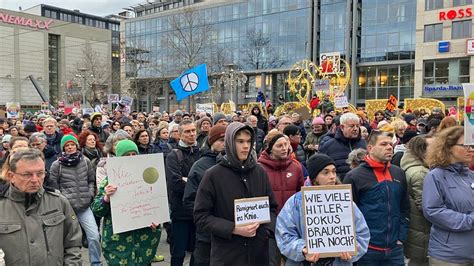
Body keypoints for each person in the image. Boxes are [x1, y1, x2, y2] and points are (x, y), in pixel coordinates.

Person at [194, 122, 278, 265]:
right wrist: (233, 229)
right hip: (227, 255)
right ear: (230, 143)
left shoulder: (260, 172)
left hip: (258, 254)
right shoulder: (213, 175)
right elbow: (201, 216)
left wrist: (265, 230)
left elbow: (272, 208)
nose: (246, 146)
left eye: (248, 141)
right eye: (240, 141)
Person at [276, 154, 370, 265]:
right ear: (314, 177)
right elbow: (284, 235)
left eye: (334, 171)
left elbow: (362, 233)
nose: (332, 176)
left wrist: (352, 249)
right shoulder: (295, 202)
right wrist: (303, 249)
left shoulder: (345, 201)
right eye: (326, 172)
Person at [0, 148, 82, 265]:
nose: (35, 180)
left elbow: (73, 243)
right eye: (27, 174)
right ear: (11, 176)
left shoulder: (59, 202)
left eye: (40, 173)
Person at [343, 130, 410, 265]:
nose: (389, 147)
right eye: (383, 144)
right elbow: (346, 214)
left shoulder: (398, 173)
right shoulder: (354, 176)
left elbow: (405, 207)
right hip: (367, 250)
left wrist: (401, 237)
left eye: (390, 144)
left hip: (394, 249)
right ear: (370, 148)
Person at [91, 139, 162, 265]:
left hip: (144, 242)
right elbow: (97, 210)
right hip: (118, 242)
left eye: (133, 154)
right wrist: (106, 198)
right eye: (126, 155)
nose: (130, 158)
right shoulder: (109, 181)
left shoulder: (147, 177)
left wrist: (156, 220)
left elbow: (156, 203)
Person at [422, 126, 474, 265]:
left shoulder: (470, 176)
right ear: (448, 147)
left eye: (472, 145)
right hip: (449, 256)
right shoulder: (435, 176)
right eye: (465, 145)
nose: (471, 149)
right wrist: (469, 220)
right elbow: (433, 211)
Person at [49, 135, 102, 265]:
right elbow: (53, 185)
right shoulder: (57, 165)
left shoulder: (85, 161)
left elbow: (91, 180)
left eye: (72, 144)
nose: (70, 147)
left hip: (84, 206)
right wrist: (62, 200)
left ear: (76, 146)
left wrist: (89, 194)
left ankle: (96, 262)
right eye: (67, 145)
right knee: (67, 240)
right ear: (63, 148)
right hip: (66, 208)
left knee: (94, 236)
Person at [183, 124, 226, 266]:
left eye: (227, 140)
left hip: (230, 234)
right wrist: (206, 218)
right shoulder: (200, 166)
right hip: (206, 234)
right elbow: (189, 200)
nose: (224, 144)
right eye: (221, 140)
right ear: (211, 142)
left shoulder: (238, 165)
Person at [258, 133, 304, 265]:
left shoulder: (296, 167)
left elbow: (301, 195)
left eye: (286, 144)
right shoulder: (259, 168)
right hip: (269, 225)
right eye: (279, 145)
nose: (284, 148)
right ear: (271, 148)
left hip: (292, 226)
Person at [166, 120, 201, 266]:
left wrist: (188, 180)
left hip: (199, 210)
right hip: (180, 211)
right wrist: (196, 183)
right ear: (179, 135)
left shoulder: (202, 153)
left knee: (198, 251)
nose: (191, 134)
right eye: (187, 131)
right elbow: (176, 183)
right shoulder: (173, 156)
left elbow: (209, 181)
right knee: (178, 252)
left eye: (193, 130)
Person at [400, 135, 433, 266]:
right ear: (422, 150)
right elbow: (427, 208)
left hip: (417, 232)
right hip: (422, 233)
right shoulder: (420, 173)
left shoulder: (414, 168)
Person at [320, 113, 366, 181]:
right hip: (340, 188)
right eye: (352, 126)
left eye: (357, 126)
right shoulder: (328, 146)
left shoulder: (365, 144)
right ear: (342, 127)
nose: (355, 129)